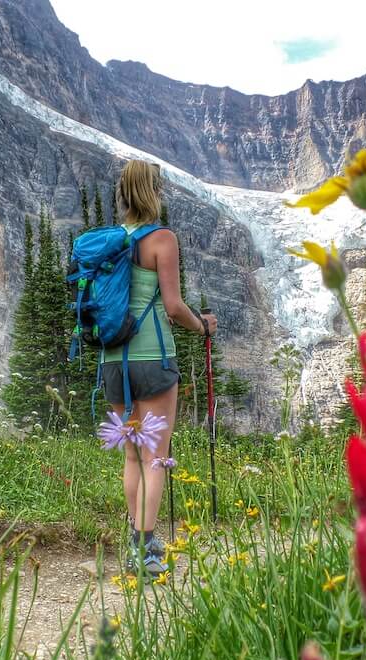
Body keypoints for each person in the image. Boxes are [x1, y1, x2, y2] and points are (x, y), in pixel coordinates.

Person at [100, 160, 218, 577]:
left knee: (131, 458)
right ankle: (146, 549)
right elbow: (173, 306)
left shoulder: (111, 241)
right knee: (156, 457)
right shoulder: (161, 239)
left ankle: (137, 541)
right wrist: (201, 325)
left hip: (113, 360)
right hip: (152, 358)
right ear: (154, 191)